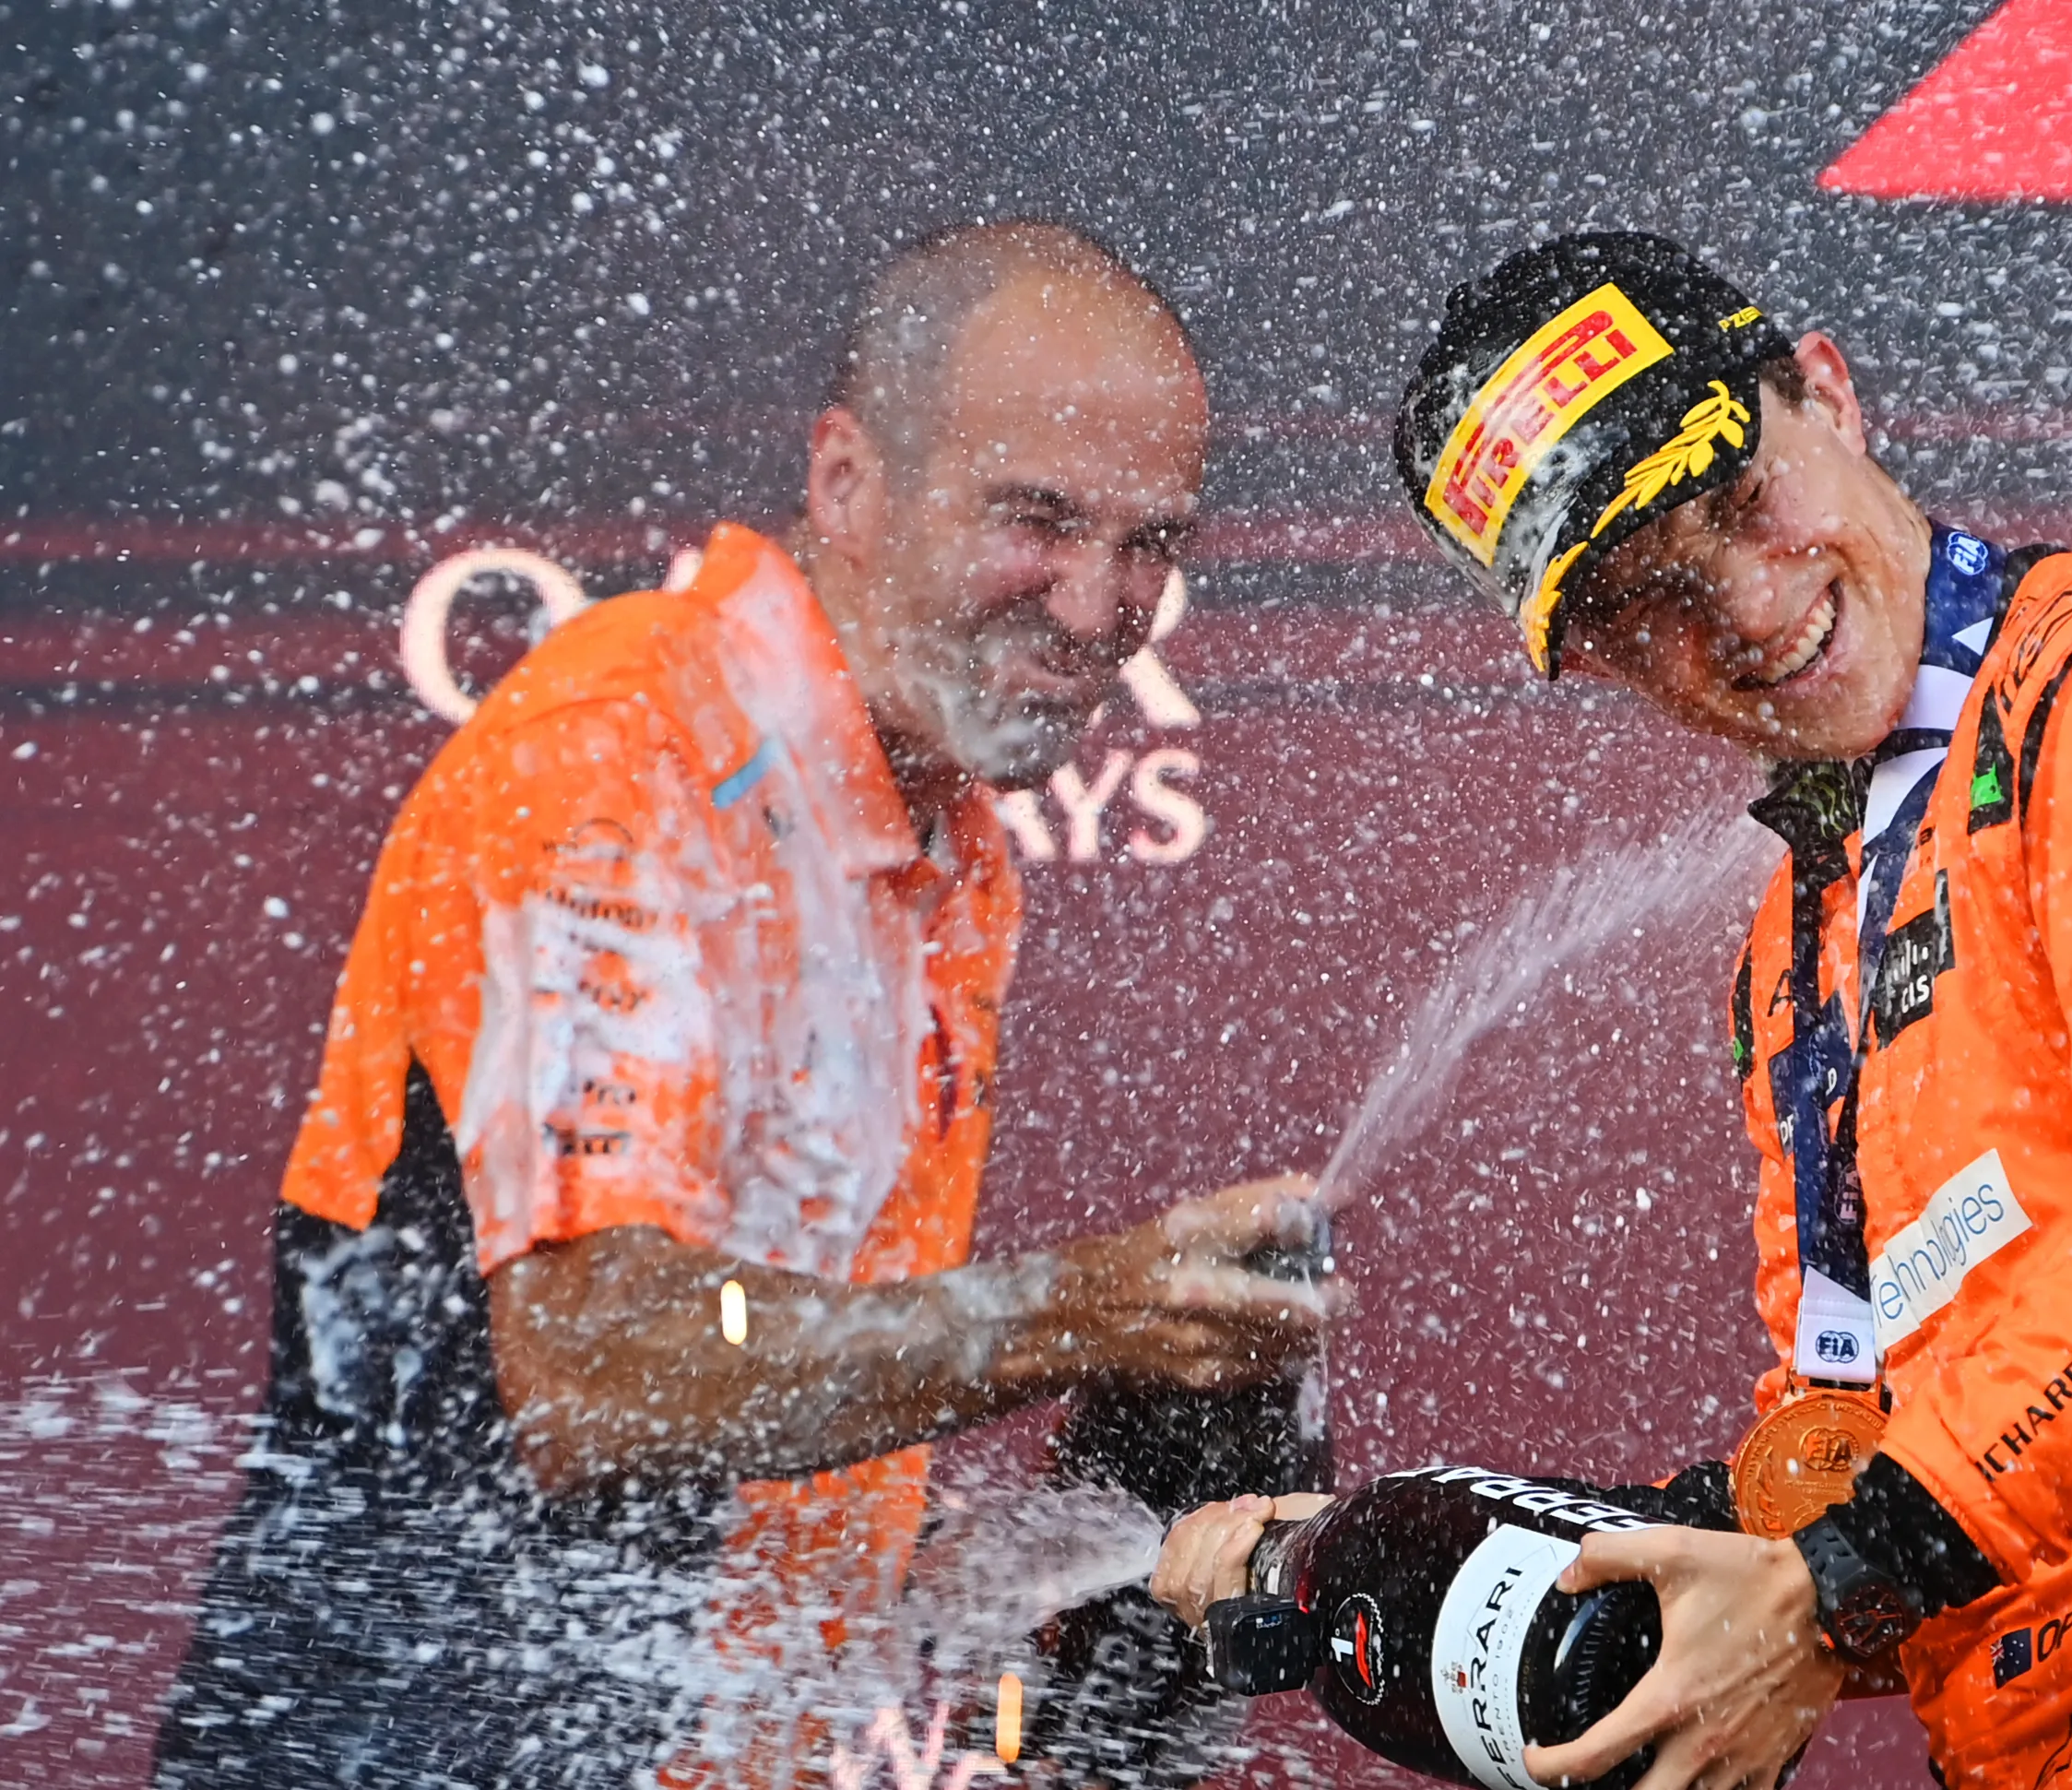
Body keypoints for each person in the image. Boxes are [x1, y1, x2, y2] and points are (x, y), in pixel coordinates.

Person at [1153, 232, 2072, 1790]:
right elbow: (1853, 1482)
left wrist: (1839, 1571)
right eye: (1644, 602)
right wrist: (1420, 1560)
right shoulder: (1797, 940)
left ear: (1826, 389)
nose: (1746, 611)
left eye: (1739, 501)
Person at [155, 220, 1339, 1790]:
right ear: (847, 482)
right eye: (1034, 519)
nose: (1096, 603)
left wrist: (1100, 1539)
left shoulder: (945, 845)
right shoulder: (627, 753)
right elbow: (597, 1361)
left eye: (1150, 545)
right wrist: (1073, 1313)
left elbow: (749, 1385)